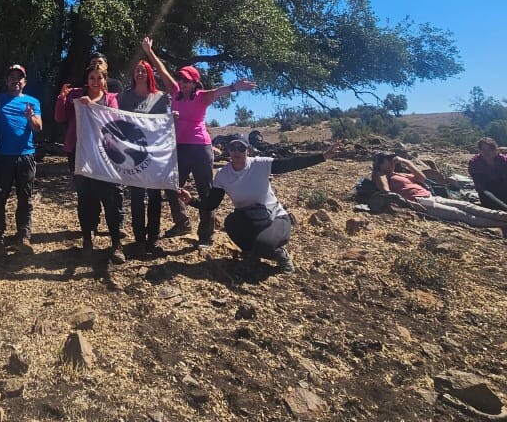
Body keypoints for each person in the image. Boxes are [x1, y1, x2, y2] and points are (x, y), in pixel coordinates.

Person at [141, 36, 257, 245]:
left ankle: (206, 236)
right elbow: (162, 69)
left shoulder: (202, 96)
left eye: (186, 80)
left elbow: (219, 92)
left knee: (206, 192)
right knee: (171, 186)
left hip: (201, 148)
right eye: (181, 79)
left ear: (195, 83)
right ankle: (182, 223)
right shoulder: (175, 92)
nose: (182, 83)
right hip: (180, 148)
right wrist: (149, 51)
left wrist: (234, 87)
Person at [183, 135, 343, 275]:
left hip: (276, 218)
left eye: (241, 148)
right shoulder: (223, 175)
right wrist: (191, 201)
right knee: (231, 223)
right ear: (228, 150)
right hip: (250, 220)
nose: (236, 152)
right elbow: (211, 204)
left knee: (263, 245)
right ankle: (251, 254)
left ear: (248, 150)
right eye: (232, 148)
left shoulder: (260, 164)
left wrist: (322, 156)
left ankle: (279, 254)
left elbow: (291, 163)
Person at [54, 66, 125, 263]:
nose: (94, 81)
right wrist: (62, 98)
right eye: (91, 78)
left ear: (105, 80)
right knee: (85, 197)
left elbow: (114, 119)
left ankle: (116, 243)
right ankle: (87, 239)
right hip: (81, 154)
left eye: (98, 78)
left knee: (111, 198)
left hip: (105, 156)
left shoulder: (111, 99)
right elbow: (60, 117)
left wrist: (92, 106)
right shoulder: (77, 97)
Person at [117, 58, 181, 257]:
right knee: (136, 198)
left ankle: (152, 239)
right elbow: (114, 116)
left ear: (149, 74)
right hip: (133, 155)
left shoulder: (160, 97)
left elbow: (162, 125)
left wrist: (172, 118)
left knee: (154, 198)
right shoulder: (124, 97)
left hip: (154, 156)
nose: (140, 74)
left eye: (143, 71)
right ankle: (139, 241)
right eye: (137, 70)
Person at [373, 153, 507, 232]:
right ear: (380, 163)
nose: (392, 161)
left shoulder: (400, 174)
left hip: (429, 196)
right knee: (460, 215)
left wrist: (407, 163)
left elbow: (422, 178)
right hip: (420, 202)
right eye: (388, 159)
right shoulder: (381, 175)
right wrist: (410, 204)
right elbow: (387, 193)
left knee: (466, 205)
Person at [0, 64, 42, 250]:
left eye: (19, 77)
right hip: (2, 157)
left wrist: (30, 117)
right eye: (12, 77)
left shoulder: (32, 102)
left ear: (24, 82)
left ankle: (23, 235)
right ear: (7, 80)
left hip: (25, 156)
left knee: (25, 197)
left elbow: (38, 127)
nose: (15, 80)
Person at [467, 138, 507, 212]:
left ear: (496, 149)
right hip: (491, 198)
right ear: (479, 150)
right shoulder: (475, 163)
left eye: (490, 149)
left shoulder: (504, 160)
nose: (487, 153)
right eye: (484, 150)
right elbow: (484, 189)